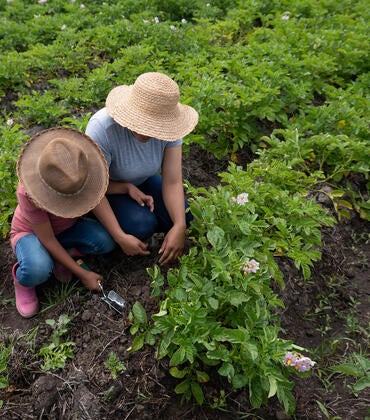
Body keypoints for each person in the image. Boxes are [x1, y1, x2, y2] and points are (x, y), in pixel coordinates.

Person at [85, 72, 199, 265]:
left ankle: (161, 228)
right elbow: (92, 189)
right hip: (106, 190)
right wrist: (120, 236)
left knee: (185, 215)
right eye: (144, 123)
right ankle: (99, 227)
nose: (149, 132)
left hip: (143, 180)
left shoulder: (169, 130)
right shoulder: (103, 129)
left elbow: (172, 181)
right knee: (142, 225)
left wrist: (179, 226)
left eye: (155, 126)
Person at [10, 127, 116, 318]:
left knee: (105, 241)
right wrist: (83, 274)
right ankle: (23, 280)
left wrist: (121, 233)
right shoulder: (28, 192)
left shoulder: (78, 169)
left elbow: (98, 197)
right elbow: (48, 239)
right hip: (32, 234)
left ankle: (62, 256)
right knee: (38, 269)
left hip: (67, 229)